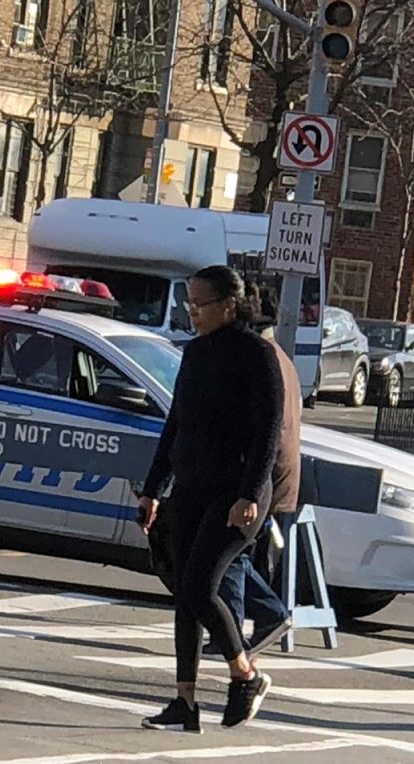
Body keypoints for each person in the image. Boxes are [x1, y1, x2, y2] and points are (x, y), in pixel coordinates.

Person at [138, 265, 286, 733]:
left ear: (229, 305)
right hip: (192, 488)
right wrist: (153, 489)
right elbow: (175, 425)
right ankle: (185, 701)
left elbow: (268, 434)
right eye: (189, 304)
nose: (192, 313)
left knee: (201, 584)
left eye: (199, 304)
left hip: (236, 494)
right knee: (185, 593)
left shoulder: (257, 356)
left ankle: (246, 675)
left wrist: (248, 494)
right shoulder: (194, 354)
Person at [205, 339, 302, 657]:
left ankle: (233, 629)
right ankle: (264, 616)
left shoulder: (258, 358)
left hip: (260, 476)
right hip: (276, 473)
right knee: (237, 551)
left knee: (229, 551)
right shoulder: (281, 358)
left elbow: (263, 427)